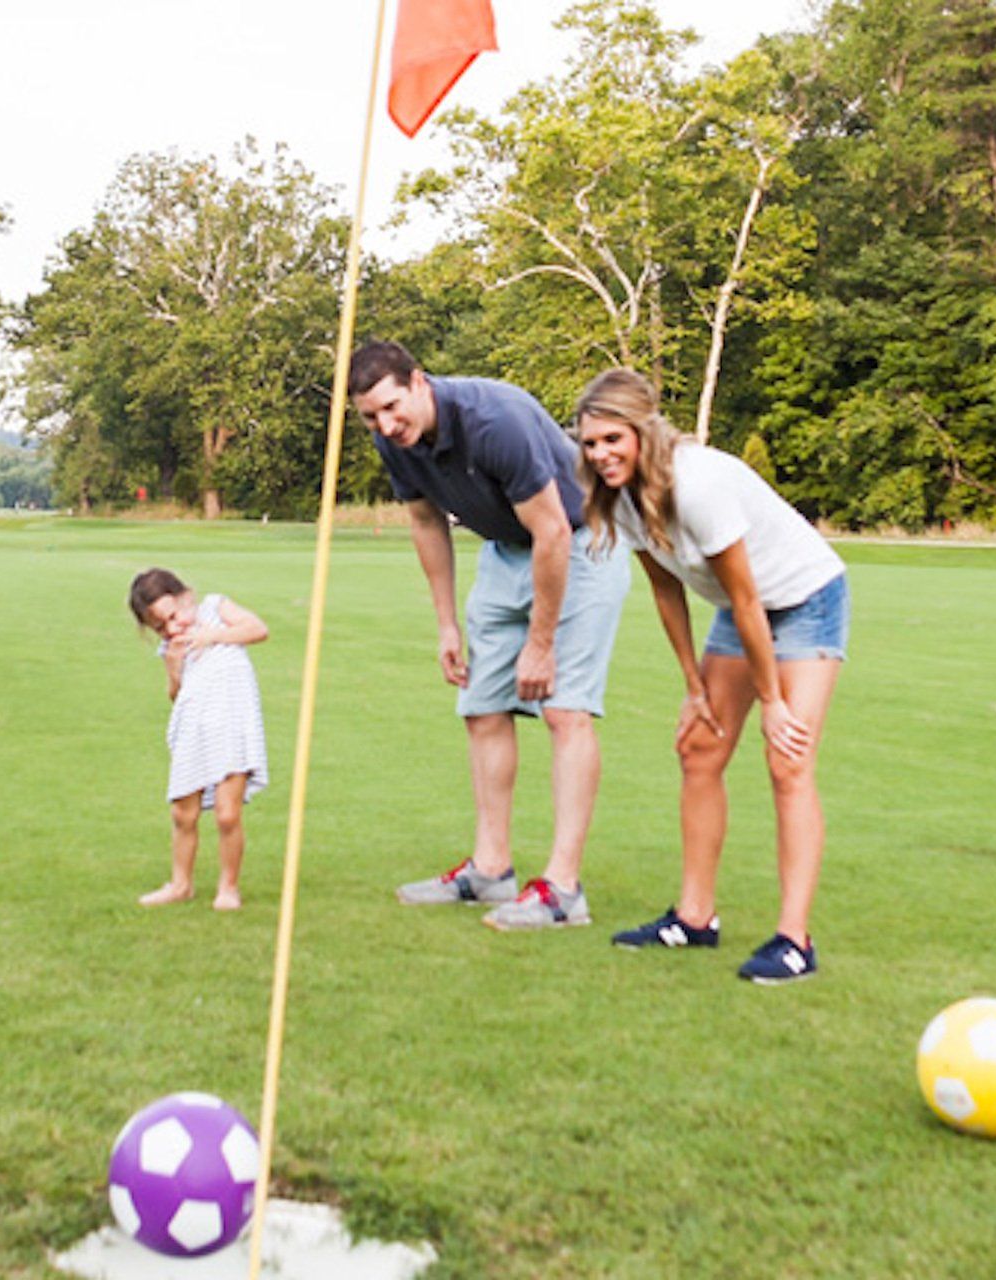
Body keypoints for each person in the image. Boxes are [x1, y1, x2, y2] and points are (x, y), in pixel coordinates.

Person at [575, 369, 848, 983]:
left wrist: (774, 702)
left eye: (612, 439)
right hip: (739, 609)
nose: (600, 455)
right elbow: (666, 590)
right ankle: (695, 918)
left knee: (789, 759)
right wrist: (694, 689)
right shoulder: (618, 496)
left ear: (643, 431)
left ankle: (794, 940)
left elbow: (750, 600)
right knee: (699, 748)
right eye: (591, 444)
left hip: (805, 598)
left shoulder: (697, 485)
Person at [349, 341, 630, 931]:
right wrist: (446, 622)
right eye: (371, 416)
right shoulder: (392, 441)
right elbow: (426, 522)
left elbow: (553, 530)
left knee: (565, 711)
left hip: (580, 545)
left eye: (393, 407)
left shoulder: (494, 419)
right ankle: (489, 870)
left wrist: (541, 642)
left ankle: (562, 890)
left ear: (419, 381)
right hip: (506, 554)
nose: (386, 425)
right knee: (481, 707)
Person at [127, 568, 270, 911]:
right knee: (183, 814)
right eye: (161, 627)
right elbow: (176, 695)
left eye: (174, 616)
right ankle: (180, 884)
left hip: (234, 728)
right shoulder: (171, 647)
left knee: (227, 814)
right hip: (194, 731)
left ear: (185, 597)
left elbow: (258, 629)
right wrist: (174, 668)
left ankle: (229, 887)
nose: (173, 628)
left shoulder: (215, 610)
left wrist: (213, 637)